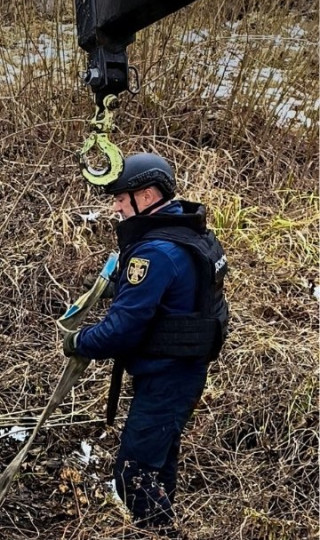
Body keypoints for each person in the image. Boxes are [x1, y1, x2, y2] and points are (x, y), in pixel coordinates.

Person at [62, 153, 229, 534]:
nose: (117, 206)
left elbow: (121, 329)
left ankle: (161, 532)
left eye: (122, 197)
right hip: (180, 371)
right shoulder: (191, 230)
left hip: (167, 378)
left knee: (132, 475)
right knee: (158, 462)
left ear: (148, 195)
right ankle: (159, 525)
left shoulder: (156, 252)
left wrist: (77, 341)